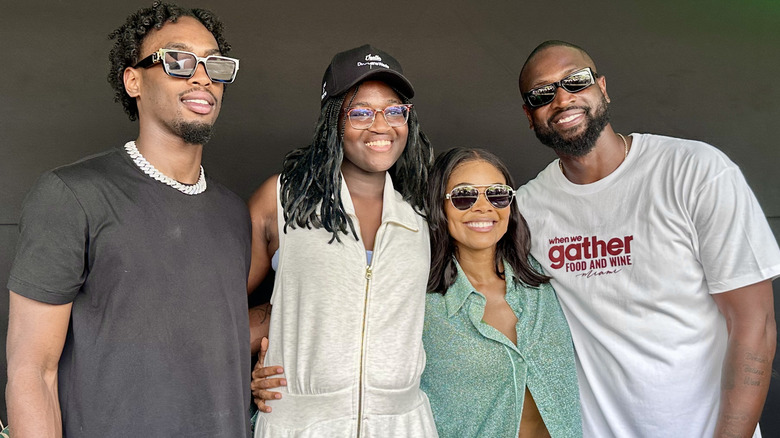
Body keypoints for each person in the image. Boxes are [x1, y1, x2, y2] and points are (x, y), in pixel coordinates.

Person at [5, 3, 251, 437]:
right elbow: (32, 372)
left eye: (215, 63)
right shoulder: (72, 196)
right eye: (178, 61)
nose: (202, 77)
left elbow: (201, 331)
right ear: (133, 80)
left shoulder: (233, 213)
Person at [515, 40, 780, 438]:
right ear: (529, 114)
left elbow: (754, 324)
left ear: (602, 87)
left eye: (575, 81)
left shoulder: (695, 172)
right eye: (543, 93)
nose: (563, 98)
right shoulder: (524, 212)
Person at [246, 44, 437, 436]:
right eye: (361, 112)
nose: (380, 125)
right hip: (300, 425)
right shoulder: (282, 200)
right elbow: (218, 314)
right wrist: (250, 368)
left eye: (394, 110)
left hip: (402, 426)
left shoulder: (421, 216)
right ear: (333, 120)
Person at [421, 147, 581, 437]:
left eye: (497, 194)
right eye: (464, 195)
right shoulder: (421, 306)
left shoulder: (541, 283)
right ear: (438, 205)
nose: (483, 207)